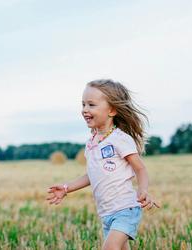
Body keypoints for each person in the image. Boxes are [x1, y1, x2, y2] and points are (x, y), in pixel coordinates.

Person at [46, 79, 159, 250]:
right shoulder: (91, 143)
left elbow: (140, 168)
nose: (85, 109)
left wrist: (143, 190)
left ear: (112, 110)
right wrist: (66, 188)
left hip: (125, 209)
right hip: (106, 213)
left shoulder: (120, 139)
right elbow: (91, 174)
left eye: (91, 105)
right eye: (83, 104)